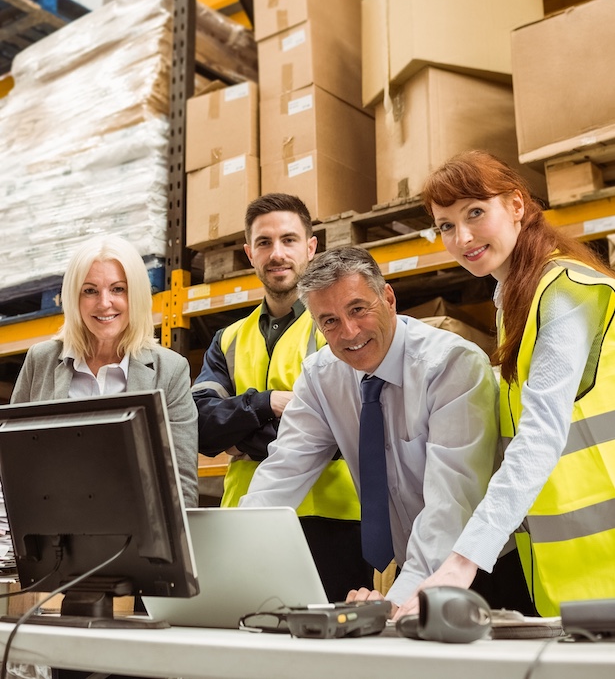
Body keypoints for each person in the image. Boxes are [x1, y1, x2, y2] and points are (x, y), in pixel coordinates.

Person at [240, 245, 500, 615]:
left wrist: (395, 603)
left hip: (480, 565)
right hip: (415, 566)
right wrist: (229, 563)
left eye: (358, 309)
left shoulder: (451, 365)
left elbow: (451, 508)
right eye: (329, 321)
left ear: (388, 297)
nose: (349, 332)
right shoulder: (321, 377)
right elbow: (281, 473)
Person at [415, 149, 615, 618]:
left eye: (475, 213)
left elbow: (541, 434)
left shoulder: (566, 291)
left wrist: (464, 561)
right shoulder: (514, 297)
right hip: (570, 570)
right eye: (445, 225)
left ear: (517, 206)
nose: (461, 237)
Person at [192, 194, 371, 601]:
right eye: (264, 243)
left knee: (326, 658)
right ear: (248, 254)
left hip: (333, 521)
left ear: (311, 247)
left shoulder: (337, 328)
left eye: (289, 240)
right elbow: (200, 426)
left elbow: (342, 428)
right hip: (247, 521)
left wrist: (241, 439)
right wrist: (267, 403)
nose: (277, 254)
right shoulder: (229, 339)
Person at [11, 234, 199, 508]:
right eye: (90, 290)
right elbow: (14, 459)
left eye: (118, 289)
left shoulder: (169, 370)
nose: (104, 303)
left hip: (137, 534)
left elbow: (181, 482)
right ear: (74, 298)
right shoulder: (41, 360)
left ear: (135, 294)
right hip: (54, 532)